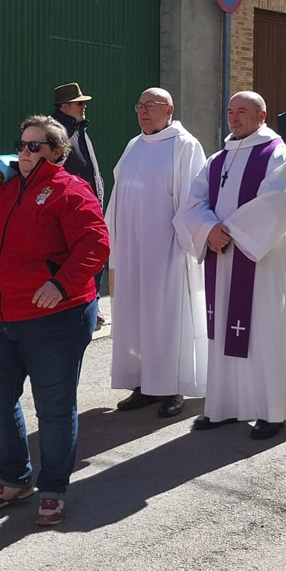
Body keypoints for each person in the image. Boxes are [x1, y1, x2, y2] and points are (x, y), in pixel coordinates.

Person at [0, 115, 108, 527]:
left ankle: (52, 488)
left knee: (54, 408)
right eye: (20, 144)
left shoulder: (69, 189)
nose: (23, 151)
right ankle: (13, 479)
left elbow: (95, 242)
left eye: (34, 146)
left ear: (56, 151)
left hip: (55, 319)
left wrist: (61, 283)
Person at [180, 92, 286, 439]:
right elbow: (194, 201)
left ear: (262, 115)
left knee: (264, 329)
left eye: (242, 112)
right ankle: (225, 406)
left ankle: (271, 409)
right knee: (225, 332)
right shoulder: (217, 158)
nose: (234, 118)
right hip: (223, 259)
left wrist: (227, 232)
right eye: (230, 111)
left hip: (262, 261)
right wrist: (208, 230)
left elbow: (276, 203)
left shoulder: (277, 155)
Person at [107, 88, 207, 418]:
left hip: (168, 250)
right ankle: (145, 383)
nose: (143, 111)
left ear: (170, 109)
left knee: (167, 318)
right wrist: (112, 241)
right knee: (137, 317)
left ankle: (172, 386)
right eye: (139, 106)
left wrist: (186, 245)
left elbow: (193, 197)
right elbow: (117, 194)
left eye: (151, 105)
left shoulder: (184, 145)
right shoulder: (134, 146)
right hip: (133, 250)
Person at [51, 82, 106, 323]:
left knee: (94, 252)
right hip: (72, 208)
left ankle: (92, 303)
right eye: (79, 103)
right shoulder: (56, 132)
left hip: (90, 204)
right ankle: (79, 305)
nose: (84, 107)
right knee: (78, 254)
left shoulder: (78, 128)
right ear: (65, 106)